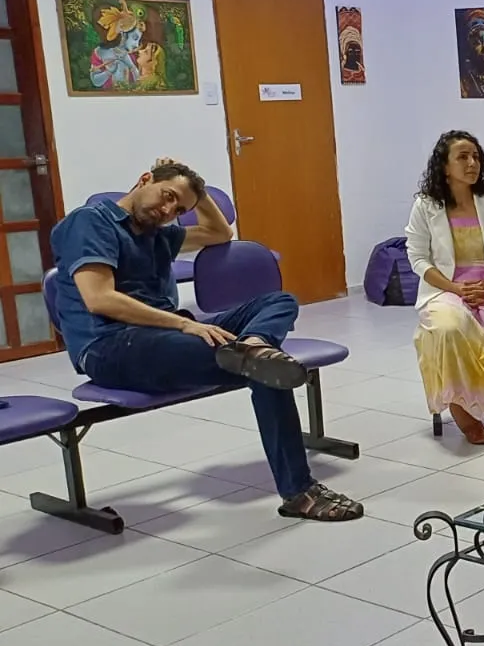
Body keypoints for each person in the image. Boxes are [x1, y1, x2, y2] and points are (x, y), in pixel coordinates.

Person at [51, 159, 363, 521]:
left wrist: (198, 195)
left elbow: (220, 233)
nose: (168, 211)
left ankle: (254, 344)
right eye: (167, 196)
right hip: (109, 345)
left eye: (178, 209)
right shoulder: (90, 222)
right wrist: (185, 326)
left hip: (163, 335)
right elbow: (100, 299)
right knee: (265, 369)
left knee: (278, 303)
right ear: (144, 179)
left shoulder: (157, 233)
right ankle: (298, 491)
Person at [406, 130, 484, 444]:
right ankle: (463, 411)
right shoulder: (426, 206)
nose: (472, 163)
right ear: (444, 166)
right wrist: (456, 289)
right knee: (450, 328)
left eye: (476, 156)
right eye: (462, 157)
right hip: (446, 291)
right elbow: (418, 259)